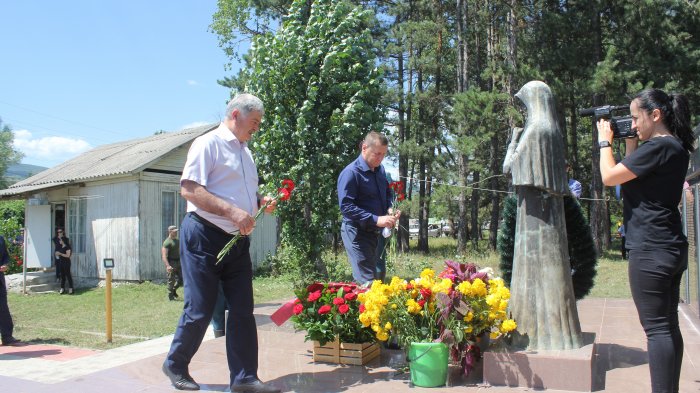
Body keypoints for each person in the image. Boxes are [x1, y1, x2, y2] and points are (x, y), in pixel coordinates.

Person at [162, 93, 280, 393]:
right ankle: (175, 363)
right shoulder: (208, 144)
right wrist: (231, 211)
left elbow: (239, 195)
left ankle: (244, 379)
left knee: (243, 309)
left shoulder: (246, 153)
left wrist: (260, 201)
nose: (256, 128)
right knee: (200, 307)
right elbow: (189, 190)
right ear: (236, 115)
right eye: (254, 122)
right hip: (203, 234)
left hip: (237, 241)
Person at [598, 88, 693, 393]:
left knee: (656, 330)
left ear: (656, 115)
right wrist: (628, 141)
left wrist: (604, 141)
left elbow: (610, 176)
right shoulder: (670, 147)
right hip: (668, 245)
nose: (634, 125)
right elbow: (630, 176)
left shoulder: (658, 147)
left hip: (651, 248)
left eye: (637, 118)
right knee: (667, 326)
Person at [337, 131, 400, 285]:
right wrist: (377, 219)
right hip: (357, 233)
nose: (380, 158)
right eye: (377, 154)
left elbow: (386, 193)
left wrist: (390, 209)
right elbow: (346, 207)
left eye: (383, 155)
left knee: (376, 279)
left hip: (375, 233)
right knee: (367, 283)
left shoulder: (380, 171)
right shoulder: (351, 173)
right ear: (364, 148)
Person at [0, 235, 21, 346]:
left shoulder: (1, 239)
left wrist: (5, 264)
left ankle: (7, 337)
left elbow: (5, 256)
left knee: (3, 308)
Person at [161, 225, 182, 301]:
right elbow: (164, 256)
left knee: (182, 280)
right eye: (174, 231)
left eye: (176, 231)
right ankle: (170, 297)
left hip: (179, 262)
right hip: (171, 262)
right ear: (170, 231)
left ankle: (173, 290)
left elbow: (180, 252)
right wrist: (168, 266)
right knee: (171, 280)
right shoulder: (167, 242)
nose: (176, 232)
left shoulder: (177, 241)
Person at [53, 228, 73, 295]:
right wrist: (57, 254)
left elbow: (68, 255)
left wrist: (60, 254)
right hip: (61, 262)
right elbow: (59, 254)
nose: (59, 241)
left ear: (63, 241)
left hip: (66, 263)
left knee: (68, 275)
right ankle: (62, 288)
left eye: (61, 240)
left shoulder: (67, 247)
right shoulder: (61, 247)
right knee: (63, 276)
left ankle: (71, 288)